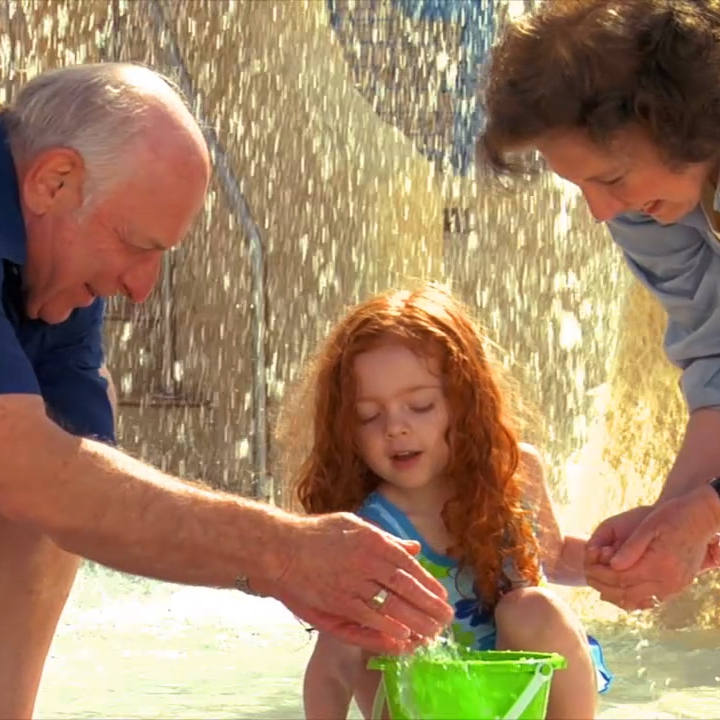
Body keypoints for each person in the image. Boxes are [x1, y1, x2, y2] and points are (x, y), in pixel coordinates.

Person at [0, 63, 453, 718]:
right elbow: (24, 468)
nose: (142, 288)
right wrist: (281, 552)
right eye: (135, 244)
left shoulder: (62, 275)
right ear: (54, 181)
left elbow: (77, 485)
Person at [478, 0, 720, 613]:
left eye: (610, 178)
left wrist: (706, 509)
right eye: (579, 185)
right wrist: (668, 528)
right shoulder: (650, 208)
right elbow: (716, 361)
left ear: (684, 123)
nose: (599, 211)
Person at [280, 286, 612, 720]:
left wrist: (620, 562)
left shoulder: (514, 473)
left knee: (534, 607)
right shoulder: (365, 528)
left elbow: (550, 554)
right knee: (370, 627)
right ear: (345, 426)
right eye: (368, 414)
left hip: (521, 697)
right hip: (418, 703)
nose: (395, 427)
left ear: (465, 402)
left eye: (420, 406)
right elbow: (333, 663)